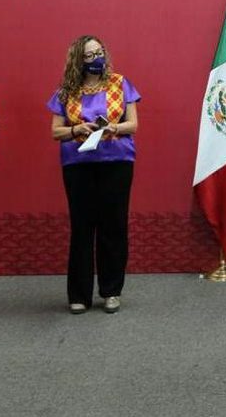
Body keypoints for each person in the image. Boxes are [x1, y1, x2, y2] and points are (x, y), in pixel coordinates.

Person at [47, 35, 140, 314]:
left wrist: (113, 128)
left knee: (114, 226)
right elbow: (55, 131)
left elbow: (133, 125)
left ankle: (111, 291)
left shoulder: (120, 83)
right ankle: (79, 295)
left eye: (99, 52)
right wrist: (76, 129)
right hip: (78, 165)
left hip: (117, 161)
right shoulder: (66, 91)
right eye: (88, 55)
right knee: (82, 228)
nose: (96, 58)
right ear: (78, 60)